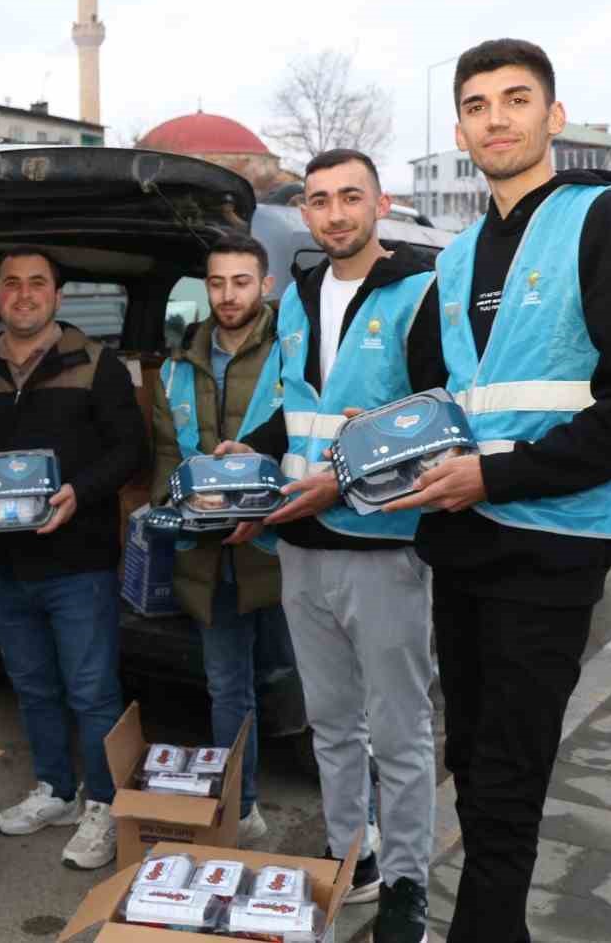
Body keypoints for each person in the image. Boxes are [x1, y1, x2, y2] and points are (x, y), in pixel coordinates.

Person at [384, 38, 611, 943]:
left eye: (517, 100)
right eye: (478, 105)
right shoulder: (457, 253)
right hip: (463, 539)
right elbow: (445, 401)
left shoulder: (605, 222)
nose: (497, 118)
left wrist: (497, 474)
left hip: (551, 544)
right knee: (471, 762)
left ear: (553, 118)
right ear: (460, 130)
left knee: (508, 777)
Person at [237, 149, 444, 943]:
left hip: (385, 546)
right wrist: (245, 455)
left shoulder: (421, 293)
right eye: (319, 200)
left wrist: (347, 479)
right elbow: (291, 408)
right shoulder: (298, 295)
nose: (334, 213)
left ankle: (406, 888)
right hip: (300, 541)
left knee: (399, 729)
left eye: (350, 197)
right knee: (330, 722)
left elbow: (442, 423)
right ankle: (350, 857)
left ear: (379, 204)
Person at [0, 247, 145, 870]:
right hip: (3, 565)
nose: (24, 294)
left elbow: (130, 451)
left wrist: (78, 492)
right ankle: (57, 790)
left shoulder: (97, 364)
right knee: (32, 686)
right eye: (11, 284)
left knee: (91, 692)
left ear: (58, 295)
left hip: (77, 562)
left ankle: (106, 805)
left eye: (38, 284)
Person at [148, 230, 286, 843]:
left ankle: (359, 822)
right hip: (208, 558)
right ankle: (243, 806)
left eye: (241, 281)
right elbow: (162, 463)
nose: (228, 295)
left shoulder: (298, 349)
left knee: (331, 693)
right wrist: (163, 516)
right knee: (228, 689)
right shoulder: (176, 368)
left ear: (266, 285)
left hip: (289, 554)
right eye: (217, 282)